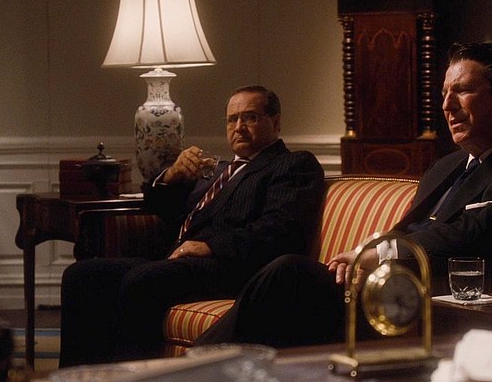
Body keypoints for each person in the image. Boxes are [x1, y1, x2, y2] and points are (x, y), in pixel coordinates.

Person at [195, 42, 492, 348]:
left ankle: (191, 372)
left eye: (461, 91)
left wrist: (378, 252)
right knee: (284, 294)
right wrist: (369, 255)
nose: (446, 105)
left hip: (433, 301)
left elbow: (477, 230)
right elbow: (407, 228)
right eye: (444, 93)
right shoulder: (445, 167)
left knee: (289, 275)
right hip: (383, 287)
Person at [59, 85, 325, 366]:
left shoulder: (292, 164)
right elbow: (162, 207)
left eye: (250, 117)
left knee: (144, 281)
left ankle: (136, 377)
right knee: (82, 275)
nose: (239, 127)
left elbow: (281, 229)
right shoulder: (218, 170)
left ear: (276, 122)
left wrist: (209, 246)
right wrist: (171, 175)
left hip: (233, 267)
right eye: (232, 120)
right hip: (179, 262)